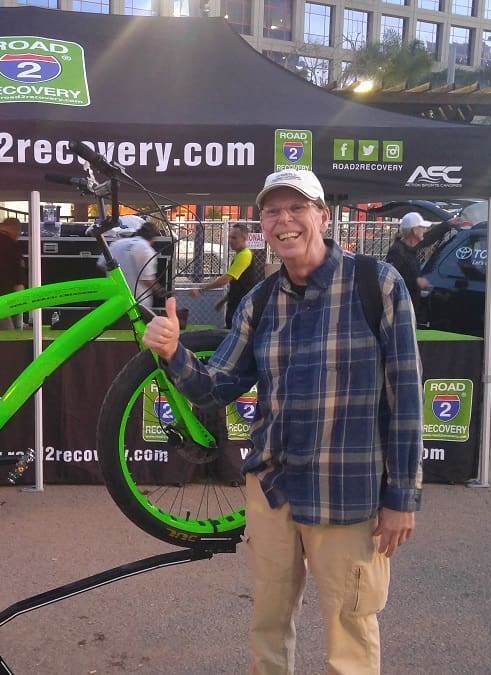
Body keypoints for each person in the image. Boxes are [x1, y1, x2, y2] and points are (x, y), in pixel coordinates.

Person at [143, 168, 424, 674]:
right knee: (268, 630)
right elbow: (216, 386)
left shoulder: (377, 284)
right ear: (262, 224)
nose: (284, 220)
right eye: (272, 210)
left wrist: (401, 499)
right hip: (273, 489)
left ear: (323, 215)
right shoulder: (260, 300)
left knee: (351, 636)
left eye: (296, 207)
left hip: (348, 491)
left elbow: (406, 397)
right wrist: (172, 352)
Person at [188, 223, 263, 328]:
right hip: (237, 304)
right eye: (230, 237)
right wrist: (224, 300)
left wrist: (201, 289)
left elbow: (226, 279)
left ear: (244, 238)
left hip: (242, 307)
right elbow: (239, 284)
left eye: (234, 238)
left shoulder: (244, 255)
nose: (230, 241)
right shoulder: (240, 255)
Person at [384, 212, 452, 325]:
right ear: (414, 231)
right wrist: (416, 281)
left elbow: (429, 238)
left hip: (411, 305)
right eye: (421, 227)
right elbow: (391, 278)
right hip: (401, 309)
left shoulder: (410, 248)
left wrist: (448, 224)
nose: (424, 230)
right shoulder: (397, 251)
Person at [97, 220, 162, 309]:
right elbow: (146, 280)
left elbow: (101, 264)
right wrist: (159, 290)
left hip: (113, 300)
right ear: (153, 238)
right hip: (137, 303)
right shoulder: (147, 250)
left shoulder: (117, 244)